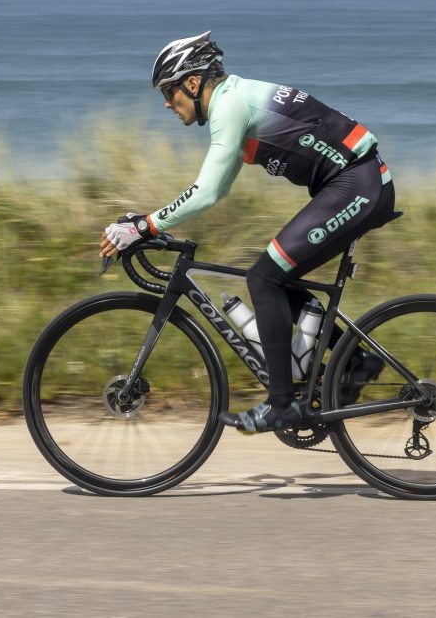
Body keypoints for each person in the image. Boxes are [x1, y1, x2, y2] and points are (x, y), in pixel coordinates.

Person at [99, 31, 397, 433]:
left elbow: (207, 192)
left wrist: (145, 226)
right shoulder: (235, 103)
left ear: (192, 82)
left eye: (169, 93)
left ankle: (281, 405)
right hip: (351, 183)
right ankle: (357, 363)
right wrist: (149, 223)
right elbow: (214, 188)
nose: (168, 104)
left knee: (264, 277)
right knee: (274, 275)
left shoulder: (230, 105)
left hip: (358, 184)